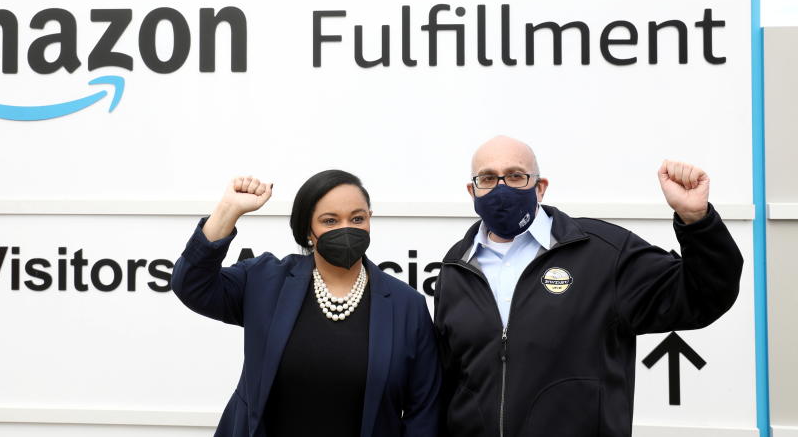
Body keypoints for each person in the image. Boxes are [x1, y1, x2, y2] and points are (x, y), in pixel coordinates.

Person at [434, 136, 743, 437]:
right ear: (472, 191)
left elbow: (704, 294)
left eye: (516, 176)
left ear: (540, 188)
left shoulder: (604, 252)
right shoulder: (456, 267)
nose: (501, 188)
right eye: (487, 178)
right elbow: (448, 381)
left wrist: (696, 220)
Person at [171, 170, 441, 437]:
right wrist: (228, 211)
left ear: (370, 219)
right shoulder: (264, 281)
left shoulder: (407, 306)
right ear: (307, 231)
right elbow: (192, 285)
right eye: (330, 221)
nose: (346, 228)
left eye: (357, 218)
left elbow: (424, 411)